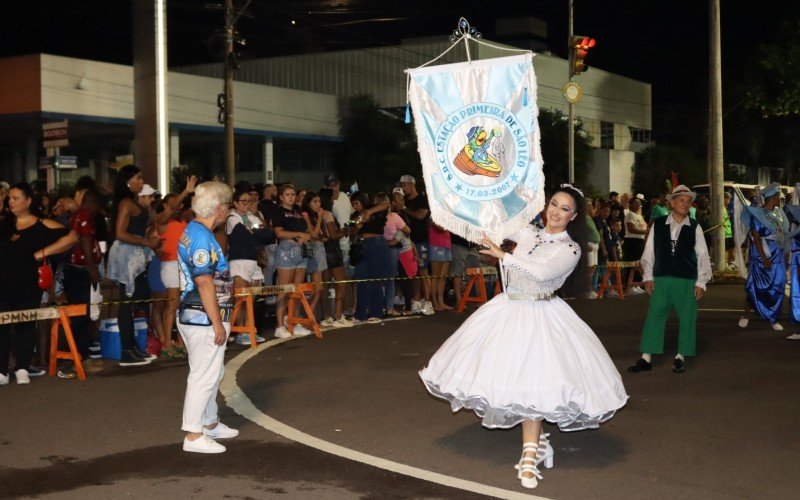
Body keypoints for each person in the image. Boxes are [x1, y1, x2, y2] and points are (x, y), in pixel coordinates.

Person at [419, 184, 628, 490]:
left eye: (564, 208)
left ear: (574, 216)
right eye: (553, 204)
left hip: (542, 317)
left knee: (534, 387)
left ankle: (530, 454)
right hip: (507, 310)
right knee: (504, 379)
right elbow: (494, 225)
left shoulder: (569, 248)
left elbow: (540, 273)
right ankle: (537, 445)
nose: (556, 211)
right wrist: (478, 194)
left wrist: (504, 255)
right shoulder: (531, 232)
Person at [176, 181, 239, 453]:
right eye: (227, 205)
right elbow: (204, 282)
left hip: (197, 313)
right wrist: (216, 322)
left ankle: (209, 422)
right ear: (217, 207)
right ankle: (193, 434)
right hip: (202, 315)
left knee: (213, 372)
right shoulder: (201, 236)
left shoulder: (195, 231)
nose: (228, 210)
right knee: (204, 375)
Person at [627, 185, 712, 374]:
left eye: (688, 201)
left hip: (687, 279)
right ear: (671, 202)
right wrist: (648, 276)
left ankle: (681, 356)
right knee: (654, 316)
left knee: (687, 319)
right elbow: (649, 251)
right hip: (662, 278)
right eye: (681, 200)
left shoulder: (695, 226)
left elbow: (702, 254)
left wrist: (700, 282)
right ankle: (646, 357)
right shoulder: (658, 224)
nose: (685, 204)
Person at [0, 182, 77, 385]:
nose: (11, 201)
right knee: (2, 326)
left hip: (28, 284)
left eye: (16, 198)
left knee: (26, 325)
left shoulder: (42, 225)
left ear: (28, 201)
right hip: (3, 285)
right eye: (10, 198)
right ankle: (2, 371)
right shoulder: (4, 224)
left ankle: (23, 367)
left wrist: (42, 253)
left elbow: (71, 238)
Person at [106, 166, 161, 366]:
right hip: (126, 257)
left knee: (130, 303)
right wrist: (147, 243)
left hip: (135, 255)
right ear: (128, 181)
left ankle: (132, 347)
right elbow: (120, 233)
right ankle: (126, 351)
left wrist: (149, 240)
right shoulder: (126, 203)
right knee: (126, 302)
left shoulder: (135, 202)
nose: (141, 181)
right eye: (138, 177)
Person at [739, 182, 788, 331]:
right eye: (778, 197)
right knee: (755, 286)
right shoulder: (757, 215)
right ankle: (746, 315)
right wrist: (764, 257)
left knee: (778, 286)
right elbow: (756, 237)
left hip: (778, 254)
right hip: (762, 254)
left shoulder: (779, 214)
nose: (780, 199)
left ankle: (773, 318)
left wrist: (785, 253)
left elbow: (783, 235)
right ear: (772, 198)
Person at [227, 188, 274, 344]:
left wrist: (254, 232)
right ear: (235, 203)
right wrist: (256, 232)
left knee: (251, 298)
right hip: (239, 261)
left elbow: (267, 235)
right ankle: (239, 331)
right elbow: (246, 238)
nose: (246, 204)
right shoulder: (232, 218)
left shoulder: (250, 217)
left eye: (249, 201)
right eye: (243, 201)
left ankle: (248, 328)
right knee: (240, 299)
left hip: (253, 261)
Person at [270, 184, 312, 338]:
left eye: (293, 194)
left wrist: (304, 235)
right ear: (281, 197)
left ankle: (294, 322)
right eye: (287, 194)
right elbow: (279, 232)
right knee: (284, 289)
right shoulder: (278, 212)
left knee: (297, 290)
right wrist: (298, 234)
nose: (291, 196)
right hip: (286, 251)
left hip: (300, 252)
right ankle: (280, 325)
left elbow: (307, 232)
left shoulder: (299, 212)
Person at [350, 192, 392, 323]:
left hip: (377, 244)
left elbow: (386, 204)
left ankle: (376, 313)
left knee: (375, 280)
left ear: (363, 201)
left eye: (357, 203)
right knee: (361, 279)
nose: (355, 207)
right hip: (361, 245)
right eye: (353, 204)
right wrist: (357, 225)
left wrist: (368, 212)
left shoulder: (376, 210)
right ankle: (360, 314)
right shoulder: (354, 216)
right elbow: (351, 233)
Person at [399, 175, 434, 315]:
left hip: (421, 241)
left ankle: (428, 302)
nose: (403, 188)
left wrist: (404, 208)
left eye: (404, 185)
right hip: (409, 242)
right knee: (413, 273)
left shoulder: (422, 198)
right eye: (401, 186)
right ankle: (417, 301)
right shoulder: (405, 200)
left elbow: (421, 216)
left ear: (412, 184)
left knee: (423, 271)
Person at [317, 188, 352, 328]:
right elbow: (333, 236)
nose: (333, 200)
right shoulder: (328, 214)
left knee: (324, 286)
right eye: (331, 198)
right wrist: (344, 231)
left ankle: (326, 317)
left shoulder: (319, 214)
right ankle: (338, 316)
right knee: (341, 282)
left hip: (322, 252)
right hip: (332, 252)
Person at [623, 197, 648, 295]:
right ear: (630, 205)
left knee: (638, 264)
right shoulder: (630, 215)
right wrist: (645, 231)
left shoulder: (639, 215)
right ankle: (630, 287)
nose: (639, 205)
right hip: (632, 242)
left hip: (640, 241)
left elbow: (643, 227)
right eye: (636, 203)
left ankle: (636, 285)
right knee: (631, 263)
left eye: (639, 203)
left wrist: (647, 230)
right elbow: (631, 229)